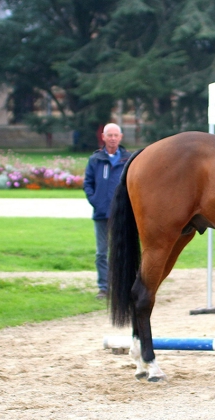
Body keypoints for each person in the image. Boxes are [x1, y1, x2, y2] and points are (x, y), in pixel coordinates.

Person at [83, 123, 132, 300]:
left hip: (123, 215)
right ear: (103, 137)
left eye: (115, 135)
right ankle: (104, 288)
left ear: (121, 137)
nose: (112, 138)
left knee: (123, 252)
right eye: (109, 135)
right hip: (101, 214)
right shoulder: (95, 159)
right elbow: (87, 183)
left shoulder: (128, 159)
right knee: (101, 253)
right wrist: (95, 200)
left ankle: (123, 287)